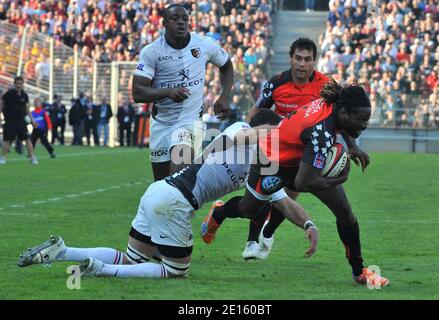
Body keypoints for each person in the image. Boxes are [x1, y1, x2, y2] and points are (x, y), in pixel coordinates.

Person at [17, 110, 319, 279]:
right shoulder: (241, 130)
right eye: (272, 132)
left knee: (134, 260)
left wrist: (309, 225)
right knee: (175, 272)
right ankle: (101, 270)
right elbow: (235, 138)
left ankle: (63, 252)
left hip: (158, 194)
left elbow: (284, 201)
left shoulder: (262, 162)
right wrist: (268, 132)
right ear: (262, 128)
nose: (276, 138)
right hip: (174, 201)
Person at [202, 81, 389, 287]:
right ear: (343, 112)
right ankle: (219, 212)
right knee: (248, 210)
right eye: (361, 119)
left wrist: (352, 146)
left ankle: (359, 271)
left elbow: (337, 128)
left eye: (366, 119)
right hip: (270, 159)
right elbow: (303, 183)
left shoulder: (333, 106)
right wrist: (340, 178)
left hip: (299, 155)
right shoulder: (321, 133)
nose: (365, 125)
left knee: (344, 209)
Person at [242, 37, 370, 260]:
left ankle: (268, 232)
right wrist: (254, 137)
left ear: (314, 61)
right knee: (257, 202)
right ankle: (252, 240)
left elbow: (342, 115)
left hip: (309, 150)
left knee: (292, 195)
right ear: (291, 59)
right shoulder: (276, 83)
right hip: (277, 148)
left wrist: (352, 145)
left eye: (308, 59)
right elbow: (256, 113)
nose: (302, 64)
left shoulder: (326, 85)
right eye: (298, 58)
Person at [132, 3, 234, 181]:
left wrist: (224, 96)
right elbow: (138, 92)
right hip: (161, 124)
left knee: (179, 178)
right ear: (164, 23)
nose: (181, 23)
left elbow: (226, 65)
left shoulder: (203, 45)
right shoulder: (152, 52)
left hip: (190, 121)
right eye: (175, 18)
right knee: (162, 186)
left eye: (185, 19)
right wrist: (167, 92)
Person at [0, 76, 38, 165]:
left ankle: (32, 157)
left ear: (23, 84)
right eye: (17, 83)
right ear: (14, 84)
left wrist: (32, 120)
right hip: (10, 121)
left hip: (21, 122)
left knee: (27, 139)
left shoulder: (25, 95)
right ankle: (3, 157)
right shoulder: (8, 94)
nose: (18, 85)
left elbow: (27, 108)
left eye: (20, 83)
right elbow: (1, 105)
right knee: (7, 140)